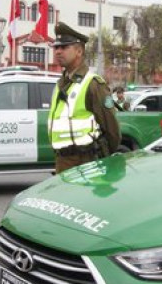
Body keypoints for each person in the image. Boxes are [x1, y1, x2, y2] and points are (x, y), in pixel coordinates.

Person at [48, 22, 121, 174]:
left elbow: (112, 131)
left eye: (64, 47)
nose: (58, 52)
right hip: (62, 161)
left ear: (79, 51)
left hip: (85, 163)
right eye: (56, 47)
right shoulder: (60, 84)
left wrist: (101, 157)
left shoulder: (93, 84)